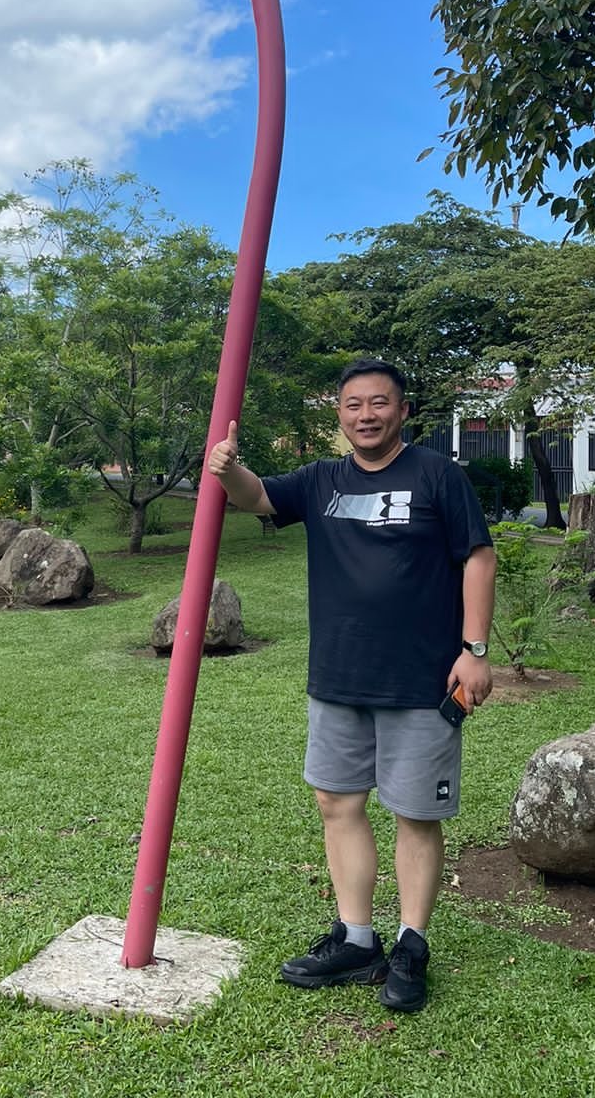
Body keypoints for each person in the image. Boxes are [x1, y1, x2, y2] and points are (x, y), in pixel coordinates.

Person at [208, 358, 495, 1013]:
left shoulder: (437, 475)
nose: (366, 415)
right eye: (353, 405)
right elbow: (258, 498)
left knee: (415, 815)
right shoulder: (320, 480)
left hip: (423, 680)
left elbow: (477, 555)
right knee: (338, 805)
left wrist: (474, 649)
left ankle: (411, 945)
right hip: (338, 677)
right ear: (339, 414)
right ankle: (357, 940)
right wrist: (227, 471)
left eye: (379, 403)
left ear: (401, 410)